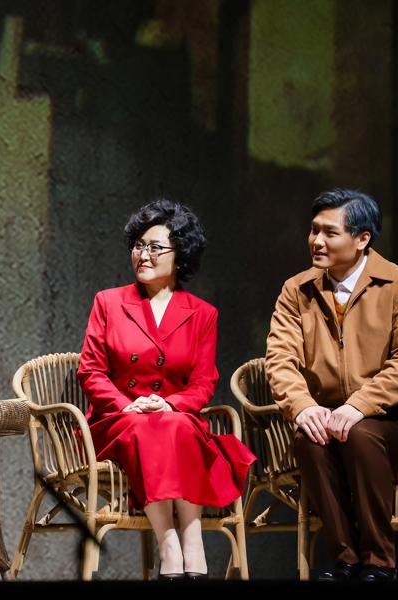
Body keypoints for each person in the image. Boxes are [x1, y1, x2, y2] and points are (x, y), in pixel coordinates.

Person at [77, 199, 256, 580]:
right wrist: (125, 405)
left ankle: (190, 539)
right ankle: (170, 542)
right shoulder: (108, 302)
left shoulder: (203, 314)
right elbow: (90, 370)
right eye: (138, 245)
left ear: (181, 255)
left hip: (173, 418)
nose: (143, 255)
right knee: (154, 428)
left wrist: (170, 403)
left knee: (175, 425)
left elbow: (204, 381)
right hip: (117, 422)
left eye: (155, 247)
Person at [265, 189, 398, 583]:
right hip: (326, 415)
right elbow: (280, 358)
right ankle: (346, 559)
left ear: (362, 239)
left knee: (359, 434)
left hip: (392, 419)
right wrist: (303, 406)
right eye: (314, 230)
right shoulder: (297, 289)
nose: (317, 241)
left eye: (330, 232)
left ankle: (380, 561)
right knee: (309, 439)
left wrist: (359, 405)